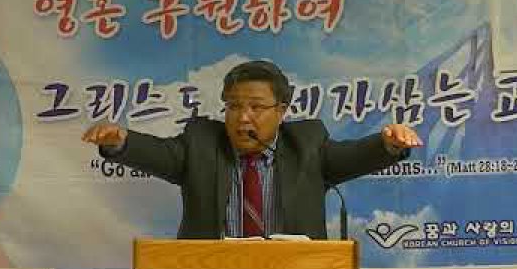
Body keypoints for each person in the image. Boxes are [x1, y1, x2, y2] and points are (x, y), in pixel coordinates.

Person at [83, 60, 423, 239]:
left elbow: (353, 156)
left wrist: (388, 145)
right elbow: (160, 154)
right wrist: (120, 142)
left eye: (256, 107)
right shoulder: (201, 142)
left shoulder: (306, 144)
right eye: (233, 106)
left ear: (281, 110)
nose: (242, 117)